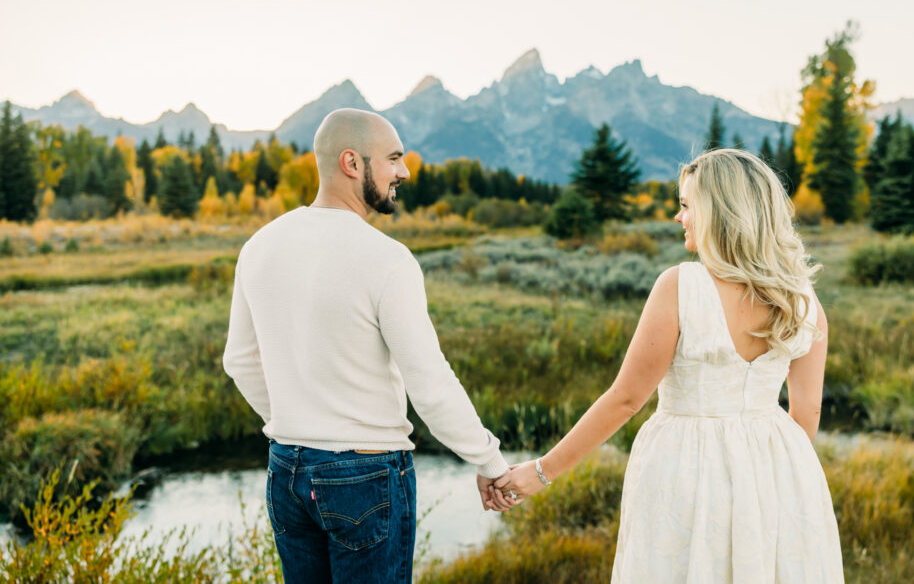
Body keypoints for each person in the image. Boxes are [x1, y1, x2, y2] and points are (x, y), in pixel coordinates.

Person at [495, 148, 844, 582]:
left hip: (685, 469)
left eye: (685, 206)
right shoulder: (803, 299)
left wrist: (542, 471)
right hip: (781, 471)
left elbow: (625, 400)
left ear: (719, 212)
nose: (678, 217)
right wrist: (775, 479)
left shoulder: (682, 285)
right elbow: (806, 414)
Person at [223, 108, 513, 584]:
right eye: (394, 159)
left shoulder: (259, 246)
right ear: (352, 163)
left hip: (286, 470)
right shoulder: (387, 260)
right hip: (366, 477)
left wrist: (298, 420)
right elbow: (430, 382)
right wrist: (489, 462)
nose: (405, 172)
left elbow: (238, 360)